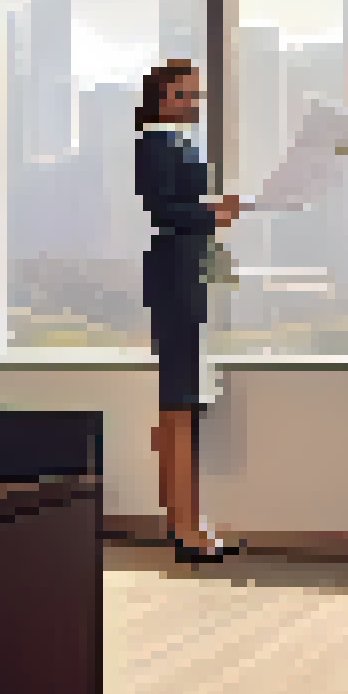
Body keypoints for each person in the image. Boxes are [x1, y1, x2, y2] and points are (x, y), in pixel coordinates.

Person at [136, 58, 247, 562]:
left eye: (195, 94)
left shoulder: (180, 143)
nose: (192, 103)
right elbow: (163, 210)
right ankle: (183, 526)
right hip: (176, 276)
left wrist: (212, 211)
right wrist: (211, 212)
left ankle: (186, 521)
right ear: (161, 98)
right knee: (178, 402)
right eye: (183, 94)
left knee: (184, 403)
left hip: (190, 272)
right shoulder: (154, 144)